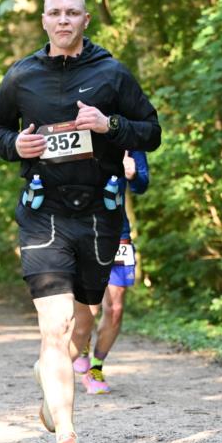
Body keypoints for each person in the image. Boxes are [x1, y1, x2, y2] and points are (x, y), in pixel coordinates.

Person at [0, 0, 161, 443]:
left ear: (86, 20)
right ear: (43, 20)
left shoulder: (112, 73)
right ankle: (66, 436)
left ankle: (51, 381)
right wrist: (12, 146)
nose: (63, 21)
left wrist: (111, 126)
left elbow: (152, 130)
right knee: (55, 324)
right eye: (55, 13)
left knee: (80, 321)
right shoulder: (22, 76)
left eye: (72, 13)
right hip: (44, 215)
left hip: (99, 217)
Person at [75, 149, 149, 393]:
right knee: (90, 305)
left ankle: (96, 369)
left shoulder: (129, 136)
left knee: (115, 308)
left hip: (118, 233)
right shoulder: (77, 126)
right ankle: (81, 346)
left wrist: (133, 172)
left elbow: (141, 185)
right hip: (83, 230)